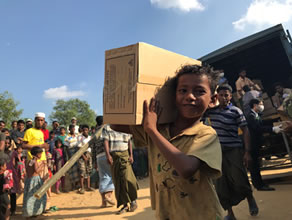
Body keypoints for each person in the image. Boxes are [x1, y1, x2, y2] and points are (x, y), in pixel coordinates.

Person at [111, 64, 224, 219]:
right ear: (173, 96)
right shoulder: (160, 128)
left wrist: (152, 130)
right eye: (183, 90)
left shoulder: (206, 134)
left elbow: (186, 168)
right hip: (167, 214)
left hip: (202, 214)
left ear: (212, 99)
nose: (190, 96)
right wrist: (125, 89)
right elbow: (115, 124)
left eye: (199, 91)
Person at [205, 84, 258, 220]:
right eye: (221, 95)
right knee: (220, 183)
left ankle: (250, 198)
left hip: (234, 149)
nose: (224, 97)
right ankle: (230, 214)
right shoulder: (211, 112)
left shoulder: (236, 111)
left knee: (239, 178)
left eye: (226, 95)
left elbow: (245, 130)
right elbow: (200, 110)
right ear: (217, 96)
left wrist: (247, 152)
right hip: (217, 152)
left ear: (230, 96)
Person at [247, 99, 282, 191]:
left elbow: (262, 123)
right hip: (252, 144)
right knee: (254, 165)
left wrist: (275, 121)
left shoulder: (255, 115)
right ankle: (259, 185)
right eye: (261, 104)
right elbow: (258, 128)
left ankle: (260, 183)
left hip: (256, 144)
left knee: (256, 165)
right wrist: (272, 129)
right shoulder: (250, 116)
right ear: (255, 105)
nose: (262, 106)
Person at [102, 125, 138, 214]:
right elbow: (106, 141)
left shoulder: (126, 126)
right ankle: (124, 205)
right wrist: (108, 155)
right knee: (118, 181)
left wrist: (131, 155)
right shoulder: (107, 127)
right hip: (114, 156)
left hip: (125, 155)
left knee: (128, 179)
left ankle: (133, 200)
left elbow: (129, 141)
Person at [90, 116, 115, 208]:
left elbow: (92, 149)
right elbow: (111, 143)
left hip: (98, 157)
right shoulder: (107, 129)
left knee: (103, 177)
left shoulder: (94, 133)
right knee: (111, 176)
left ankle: (103, 202)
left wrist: (94, 162)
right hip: (107, 155)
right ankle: (108, 196)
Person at [22, 146, 47, 218]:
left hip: (29, 180)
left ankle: (29, 212)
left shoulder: (30, 161)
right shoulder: (34, 161)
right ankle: (33, 212)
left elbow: (28, 169)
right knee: (34, 197)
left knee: (29, 197)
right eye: (40, 154)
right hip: (34, 180)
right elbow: (36, 170)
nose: (41, 155)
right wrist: (43, 164)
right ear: (37, 154)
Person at [7, 145, 26, 215]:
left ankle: (13, 210)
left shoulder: (15, 154)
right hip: (6, 174)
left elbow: (18, 163)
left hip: (14, 174)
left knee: (13, 193)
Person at [76, 125, 93, 194]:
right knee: (82, 171)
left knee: (88, 170)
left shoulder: (90, 137)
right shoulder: (80, 138)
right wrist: (83, 156)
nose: (85, 131)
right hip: (82, 155)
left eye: (86, 130)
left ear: (88, 130)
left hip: (89, 154)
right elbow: (79, 148)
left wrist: (89, 156)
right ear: (82, 130)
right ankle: (82, 187)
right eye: (84, 130)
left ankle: (88, 186)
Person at [64, 125, 79, 190]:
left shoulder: (77, 136)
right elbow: (66, 147)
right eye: (71, 128)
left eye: (73, 128)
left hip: (77, 152)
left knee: (78, 169)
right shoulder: (67, 137)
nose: (73, 129)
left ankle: (77, 184)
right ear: (69, 129)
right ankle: (72, 185)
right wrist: (69, 155)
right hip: (71, 152)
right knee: (72, 170)